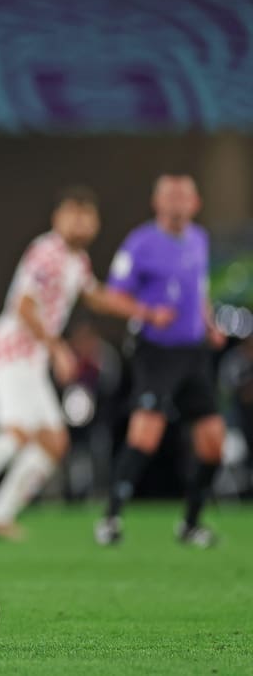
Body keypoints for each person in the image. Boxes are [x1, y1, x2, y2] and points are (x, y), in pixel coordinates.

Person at [0, 186, 173, 540]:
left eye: (87, 217)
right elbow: (24, 305)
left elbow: (97, 296)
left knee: (54, 441)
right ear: (58, 218)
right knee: (16, 433)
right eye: (74, 215)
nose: (81, 224)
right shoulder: (46, 252)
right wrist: (57, 348)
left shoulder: (77, 261)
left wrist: (145, 312)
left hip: (32, 358)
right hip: (10, 350)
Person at [94, 174, 226, 548]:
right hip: (156, 350)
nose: (177, 202)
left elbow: (199, 289)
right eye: (170, 195)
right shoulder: (140, 243)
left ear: (196, 203)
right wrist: (149, 313)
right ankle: (111, 518)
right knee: (146, 435)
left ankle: (191, 524)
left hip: (193, 352)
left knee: (213, 442)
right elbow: (111, 296)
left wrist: (209, 323)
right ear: (156, 202)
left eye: (184, 196)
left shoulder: (199, 239)